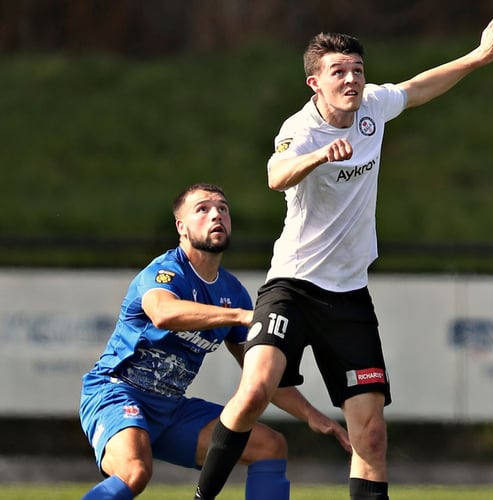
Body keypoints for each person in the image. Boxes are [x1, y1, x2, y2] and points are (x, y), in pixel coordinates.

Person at [194, 17, 493, 500]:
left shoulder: (372, 108)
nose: (351, 79)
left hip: (348, 298)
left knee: (370, 435)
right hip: (292, 287)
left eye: (357, 70)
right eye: (339, 72)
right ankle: (203, 497)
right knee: (257, 388)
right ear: (315, 83)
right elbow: (276, 175)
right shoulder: (299, 128)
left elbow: (417, 88)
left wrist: (478, 56)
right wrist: (320, 156)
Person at [79, 183, 351, 500]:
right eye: (203, 209)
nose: (216, 215)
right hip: (116, 391)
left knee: (270, 446)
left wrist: (312, 415)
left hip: (170, 409)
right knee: (135, 472)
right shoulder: (166, 271)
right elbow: (162, 312)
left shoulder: (232, 291)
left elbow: (260, 375)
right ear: (181, 227)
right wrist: (237, 316)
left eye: (222, 208)